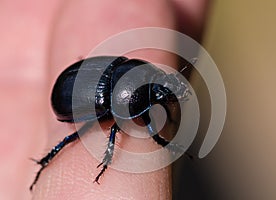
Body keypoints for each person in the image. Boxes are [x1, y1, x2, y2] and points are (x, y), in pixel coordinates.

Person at [0, 0, 207, 199]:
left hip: (86, 79)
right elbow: (143, 130)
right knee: (71, 139)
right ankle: (46, 163)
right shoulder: (118, 94)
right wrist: (109, 158)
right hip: (70, 96)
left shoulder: (127, 70)